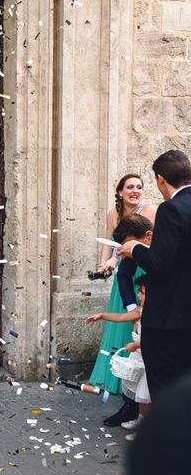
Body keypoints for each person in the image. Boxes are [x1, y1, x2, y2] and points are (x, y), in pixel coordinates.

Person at [118, 150, 191, 402]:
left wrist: (134, 248)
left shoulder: (171, 209)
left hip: (169, 319)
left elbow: (158, 263)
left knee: (165, 387)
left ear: (161, 179)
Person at [89, 174, 156, 426]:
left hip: (142, 272)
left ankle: (136, 404)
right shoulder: (112, 213)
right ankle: (126, 394)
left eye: (139, 187)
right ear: (119, 191)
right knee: (123, 329)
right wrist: (105, 264)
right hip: (124, 278)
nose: (135, 191)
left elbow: (149, 242)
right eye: (130, 187)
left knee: (137, 332)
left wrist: (117, 259)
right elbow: (110, 244)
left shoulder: (150, 209)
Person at [86, 275, 151, 441]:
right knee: (139, 396)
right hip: (138, 359)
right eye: (139, 292)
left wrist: (136, 345)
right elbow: (121, 317)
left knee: (147, 396)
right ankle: (141, 420)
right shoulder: (139, 311)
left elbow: (155, 340)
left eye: (142, 292)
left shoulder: (158, 315)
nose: (139, 295)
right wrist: (102, 316)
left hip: (149, 360)